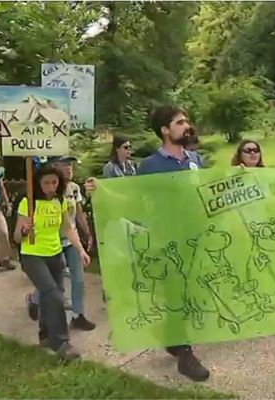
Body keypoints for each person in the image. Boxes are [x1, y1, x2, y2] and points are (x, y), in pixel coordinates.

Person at [85, 105, 209, 382]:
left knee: (191, 293)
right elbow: (131, 200)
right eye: (179, 122)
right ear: (165, 130)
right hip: (166, 241)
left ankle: (172, 338)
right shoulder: (151, 166)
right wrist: (101, 190)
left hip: (194, 238)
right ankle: (186, 356)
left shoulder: (195, 160)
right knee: (178, 295)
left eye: (186, 121)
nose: (186, 126)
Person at [14, 163, 90, 361]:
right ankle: (62, 343)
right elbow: (16, 237)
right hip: (32, 255)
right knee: (54, 296)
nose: (50, 186)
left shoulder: (60, 201)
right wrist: (24, 230)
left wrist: (80, 250)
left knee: (52, 296)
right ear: (38, 183)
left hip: (55, 253)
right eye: (46, 182)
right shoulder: (28, 202)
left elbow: (68, 229)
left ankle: (45, 334)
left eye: (54, 182)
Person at [26, 156, 95, 331]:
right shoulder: (48, 192)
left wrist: (87, 234)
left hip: (71, 240)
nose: (69, 169)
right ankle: (34, 300)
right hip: (52, 241)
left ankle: (78, 315)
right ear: (56, 167)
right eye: (65, 165)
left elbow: (78, 214)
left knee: (78, 279)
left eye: (71, 165)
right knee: (52, 284)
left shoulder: (73, 189)